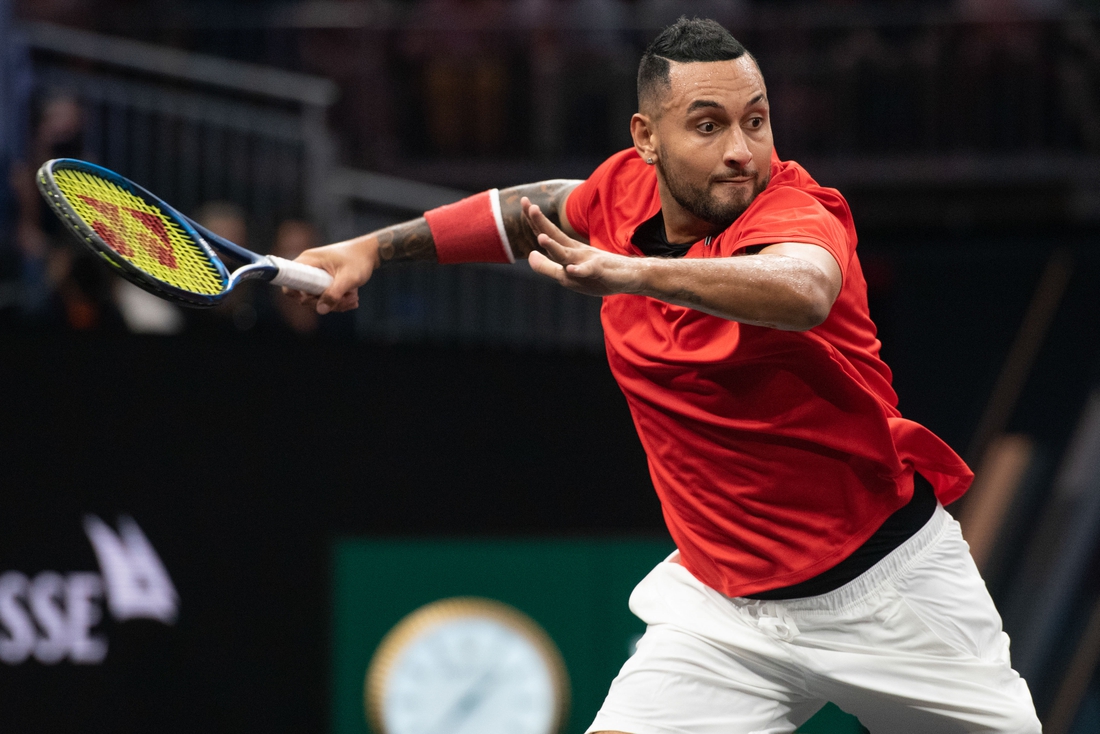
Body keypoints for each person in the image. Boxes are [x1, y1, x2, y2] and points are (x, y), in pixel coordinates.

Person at [289, 18, 1041, 734]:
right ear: (646, 139)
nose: (743, 150)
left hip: (889, 595)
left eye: (757, 119)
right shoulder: (619, 194)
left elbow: (803, 288)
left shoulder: (798, 213)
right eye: (709, 125)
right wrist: (373, 250)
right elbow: (535, 211)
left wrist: (635, 274)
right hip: (723, 612)